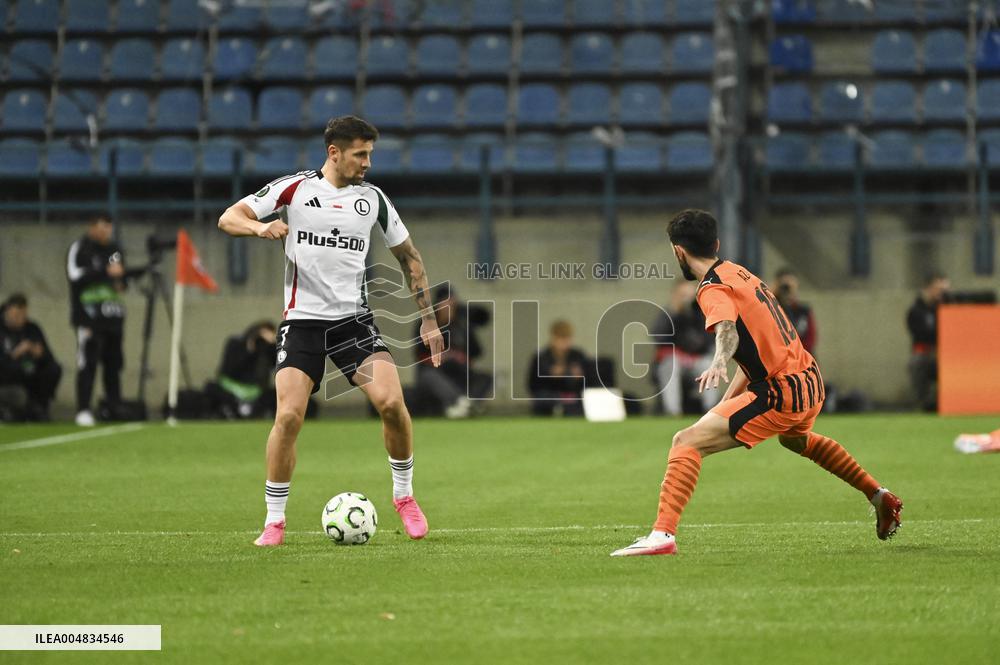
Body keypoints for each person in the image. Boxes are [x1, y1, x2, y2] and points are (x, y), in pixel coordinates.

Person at [611, 209, 902, 557]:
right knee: (796, 442)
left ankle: (662, 535)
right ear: (716, 244)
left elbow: (728, 330)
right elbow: (754, 352)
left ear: (678, 252)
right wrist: (724, 404)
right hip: (809, 381)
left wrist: (718, 360)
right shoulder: (740, 273)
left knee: (685, 441)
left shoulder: (711, 288)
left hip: (781, 393)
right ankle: (879, 495)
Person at [218, 115, 444, 547]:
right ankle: (275, 521)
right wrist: (260, 226)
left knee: (393, 404)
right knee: (288, 416)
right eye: (360, 154)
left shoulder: (373, 200)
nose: (367, 163)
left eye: (370, 154)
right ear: (334, 153)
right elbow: (229, 217)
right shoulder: (295, 189)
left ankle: (404, 497)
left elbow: (410, 258)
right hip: (302, 322)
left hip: (352, 322)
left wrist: (429, 318)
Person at [66, 215, 126, 427]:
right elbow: (75, 276)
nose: (106, 231)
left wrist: (120, 278)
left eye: (109, 227)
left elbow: (121, 282)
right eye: (102, 227)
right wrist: (104, 272)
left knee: (113, 365)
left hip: (113, 317)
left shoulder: (115, 250)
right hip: (88, 318)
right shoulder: (81, 249)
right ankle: (83, 409)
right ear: (91, 227)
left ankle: (113, 406)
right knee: (88, 363)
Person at [412, 285, 491, 418]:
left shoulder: (461, 325)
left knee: (486, 378)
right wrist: (444, 355)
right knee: (429, 376)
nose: (450, 307)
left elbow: (477, 351)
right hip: (435, 370)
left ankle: (465, 405)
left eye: (452, 303)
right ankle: (461, 402)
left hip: (458, 372)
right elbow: (419, 354)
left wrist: (460, 356)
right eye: (446, 303)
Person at [651, 282, 718, 415]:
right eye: (683, 295)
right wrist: (675, 311)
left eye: (690, 296)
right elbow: (658, 336)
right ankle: (673, 412)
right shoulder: (668, 314)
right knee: (672, 363)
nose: (687, 300)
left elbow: (708, 343)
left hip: (695, 363)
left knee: (708, 364)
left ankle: (712, 412)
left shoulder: (700, 316)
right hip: (673, 364)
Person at [0, 294, 62, 420]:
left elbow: (48, 356)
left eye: (23, 315)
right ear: (7, 311)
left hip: (30, 371)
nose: (19, 319)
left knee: (53, 369)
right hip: (7, 375)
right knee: (17, 392)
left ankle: (39, 407)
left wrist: (38, 352)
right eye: (16, 315)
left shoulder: (32, 328)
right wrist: (16, 353)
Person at [204, 320, 281, 419]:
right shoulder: (235, 343)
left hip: (255, 390)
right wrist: (249, 350)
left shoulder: (267, 349)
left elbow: (277, 367)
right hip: (231, 387)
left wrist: (273, 345)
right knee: (210, 388)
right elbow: (228, 370)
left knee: (276, 394)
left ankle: (246, 410)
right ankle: (234, 409)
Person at [906, 272, 949, 412]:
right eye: (938, 289)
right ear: (928, 288)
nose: (941, 293)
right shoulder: (916, 311)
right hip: (926, 354)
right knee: (917, 362)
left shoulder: (948, 309)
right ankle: (922, 404)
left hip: (947, 355)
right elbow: (920, 334)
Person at [527, 320, 589, 416]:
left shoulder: (578, 356)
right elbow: (532, 384)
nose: (565, 343)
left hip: (573, 396)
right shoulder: (542, 357)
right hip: (548, 396)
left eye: (567, 338)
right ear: (553, 338)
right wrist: (551, 374)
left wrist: (578, 376)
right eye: (561, 339)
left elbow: (587, 380)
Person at [773, 267, 817, 355]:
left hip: (802, 359)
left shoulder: (804, 311)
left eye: (790, 285)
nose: (786, 289)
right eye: (783, 286)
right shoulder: (771, 308)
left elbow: (810, 339)